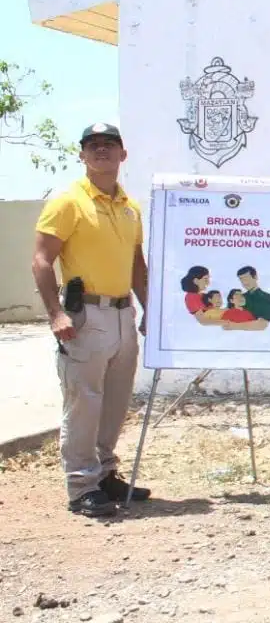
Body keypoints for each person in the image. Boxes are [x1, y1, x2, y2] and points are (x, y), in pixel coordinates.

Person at [30, 123, 151, 517]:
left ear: (123, 154)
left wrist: (148, 306)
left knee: (115, 401)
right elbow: (42, 260)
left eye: (109, 144)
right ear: (81, 155)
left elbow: (136, 263)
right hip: (85, 316)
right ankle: (81, 485)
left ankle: (105, 473)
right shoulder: (68, 200)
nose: (101, 150)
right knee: (83, 402)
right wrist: (55, 314)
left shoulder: (130, 206)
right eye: (92, 145)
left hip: (121, 314)